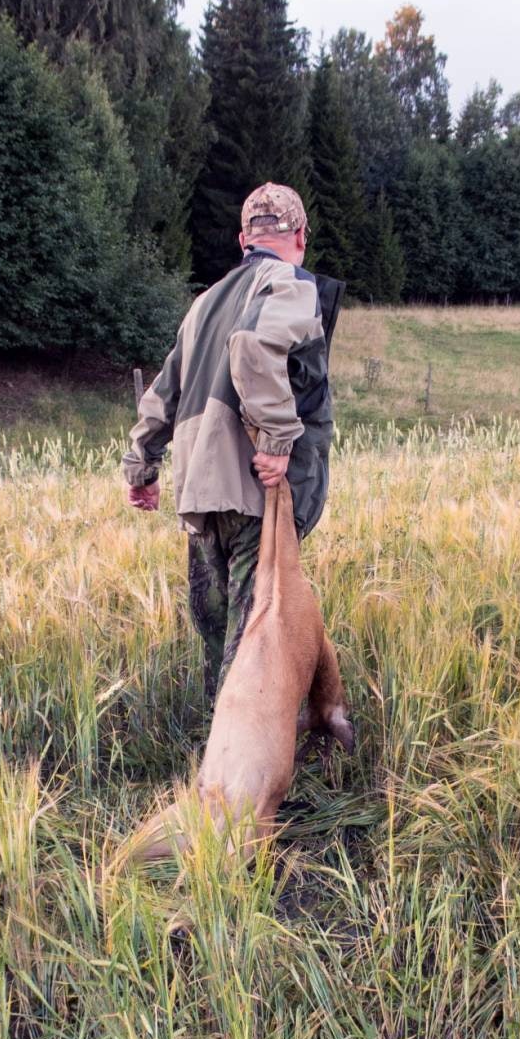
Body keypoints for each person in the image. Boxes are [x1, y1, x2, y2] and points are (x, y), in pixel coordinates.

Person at [123, 183, 344, 704]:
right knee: (250, 640)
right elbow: (253, 345)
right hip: (251, 487)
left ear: (244, 238)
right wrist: (276, 439)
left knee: (215, 627)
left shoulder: (203, 302)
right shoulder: (290, 284)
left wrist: (142, 467)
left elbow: (164, 391)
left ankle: (212, 757)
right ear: (301, 236)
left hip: (199, 484)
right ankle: (240, 776)